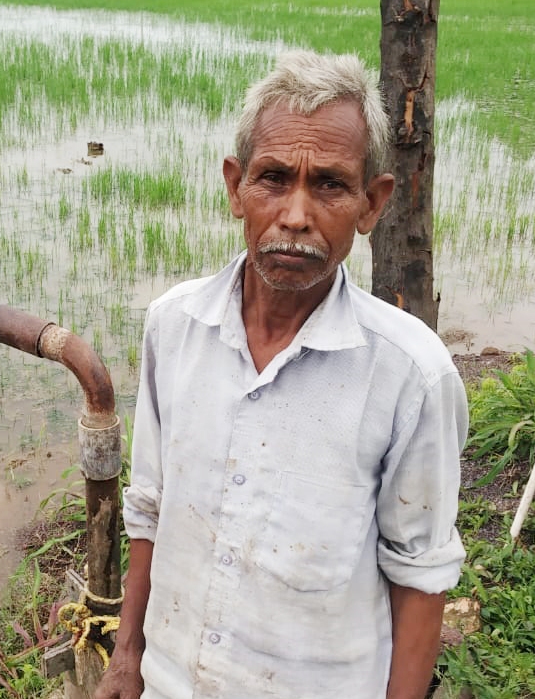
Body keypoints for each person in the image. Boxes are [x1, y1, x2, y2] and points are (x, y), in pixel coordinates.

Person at [95, 51, 467, 699]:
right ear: (236, 187)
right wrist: (128, 656)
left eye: (328, 184)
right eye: (273, 178)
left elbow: (420, 576)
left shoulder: (411, 375)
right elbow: (150, 507)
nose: (296, 215)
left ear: (371, 203)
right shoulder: (173, 327)